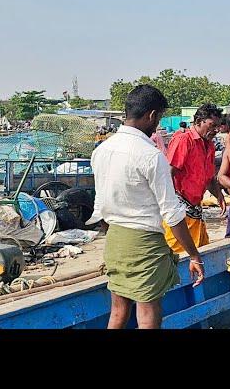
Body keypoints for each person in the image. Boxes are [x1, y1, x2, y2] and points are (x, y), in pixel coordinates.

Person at [88, 84, 204, 329]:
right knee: (148, 311)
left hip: (115, 241)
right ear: (152, 115)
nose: (157, 124)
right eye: (158, 117)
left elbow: (100, 206)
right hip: (144, 243)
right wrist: (194, 255)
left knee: (118, 311)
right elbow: (172, 215)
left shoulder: (101, 151)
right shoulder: (151, 155)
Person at [163, 103, 226, 253]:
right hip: (180, 208)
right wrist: (172, 206)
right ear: (199, 121)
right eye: (212, 125)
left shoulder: (209, 145)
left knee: (201, 250)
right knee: (179, 253)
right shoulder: (184, 140)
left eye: (218, 126)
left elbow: (209, 177)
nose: (216, 130)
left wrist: (219, 196)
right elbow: (168, 174)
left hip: (195, 209)